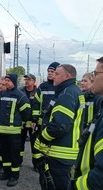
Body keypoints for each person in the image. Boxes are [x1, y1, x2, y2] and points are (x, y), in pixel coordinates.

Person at [34, 64, 85, 190]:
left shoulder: (66, 94)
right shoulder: (72, 91)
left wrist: (42, 138)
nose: (53, 76)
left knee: (53, 185)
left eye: (57, 74)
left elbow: (59, 126)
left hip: (60, 153)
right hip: (66, 151)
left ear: (66, 76)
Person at [68, 56, 103, 190]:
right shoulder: (81, 97)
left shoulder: (98, 100)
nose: (94, 79)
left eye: (96, 74)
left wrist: (76, 186)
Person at [0, 74, 31, 187]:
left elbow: (26, 112)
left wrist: (21, 123)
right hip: (3, 130)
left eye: (8, 80)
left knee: (14, 155)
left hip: (14, 131)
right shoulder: (4, 94)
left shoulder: (20, 95)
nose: (6, 82)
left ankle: (14, 176)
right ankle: (6, 173)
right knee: (4, 153)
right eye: (5, 80)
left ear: (14, 82)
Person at [31, 62, 60, 181]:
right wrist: (34, 119)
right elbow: (36, 104)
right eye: (48, 71)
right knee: (39, 143)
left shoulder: (60, 87)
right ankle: (38, 164)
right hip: (42, 121)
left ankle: (51, 166)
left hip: (55, 121)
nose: (50, 73)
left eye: (52, 72)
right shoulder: (42, 87)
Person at [19, 73, 37, 169]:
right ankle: (19, 161)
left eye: (29, 79)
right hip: (22, 121)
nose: (27, 81)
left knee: (34, 143)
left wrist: (35, 119)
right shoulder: (21, 91)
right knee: (20, 142)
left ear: (34, 81)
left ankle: (35, 164)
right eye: (26, 79)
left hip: (32, 122)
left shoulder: (37, 92)